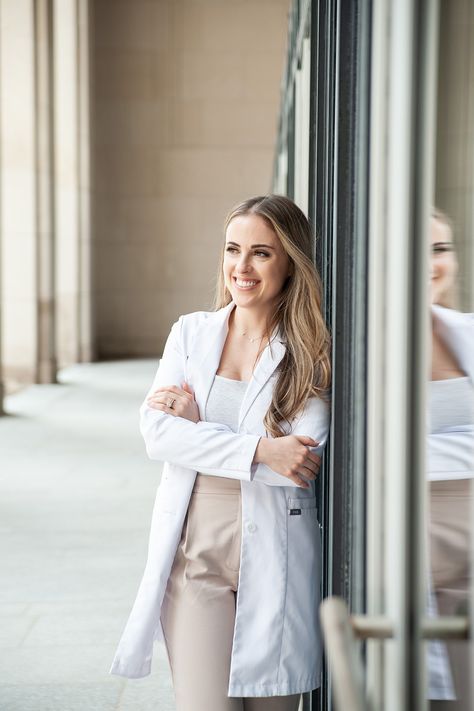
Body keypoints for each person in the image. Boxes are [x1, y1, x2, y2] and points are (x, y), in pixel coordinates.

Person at [110, 194, 331, 711]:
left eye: (261, 253)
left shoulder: (314, 350)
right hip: (197, 558)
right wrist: (259, 448)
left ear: (290, 262)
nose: (242, 267)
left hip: (276, 556)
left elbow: (298, 463)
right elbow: (157, 434)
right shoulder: (191, 333)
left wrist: (200, 429)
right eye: (233, 250)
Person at [427, 209, 474, 708]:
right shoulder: (356, 342)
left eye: (440, 249)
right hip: (401, 558)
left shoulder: (466, 331)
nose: (430, 263)